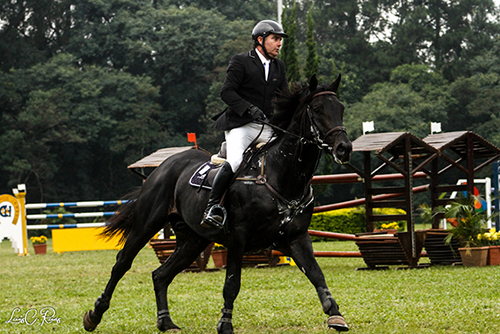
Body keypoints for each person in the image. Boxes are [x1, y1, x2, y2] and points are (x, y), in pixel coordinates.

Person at [201, 19, 290, 230]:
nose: (279, 44)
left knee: (286, 156)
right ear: (260, 40)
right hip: (242, 124)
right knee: (234, 162)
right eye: (275, 39)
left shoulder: (279, 67)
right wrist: (249, 108)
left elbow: (284, 98)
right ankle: (213, 207)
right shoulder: (241, 61)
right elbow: (226, 92)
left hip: (267, 126)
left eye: (280, 40)